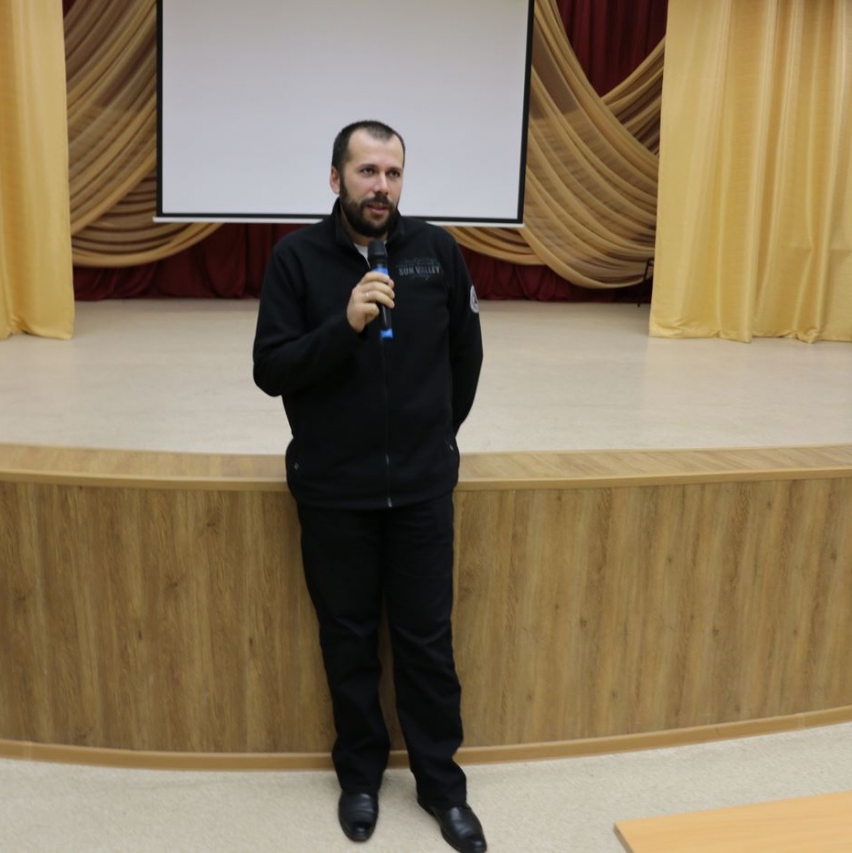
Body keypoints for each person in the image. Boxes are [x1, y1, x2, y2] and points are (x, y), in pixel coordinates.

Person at [252, 120, 486, 853]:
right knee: (348, 642)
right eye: (366, 172)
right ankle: (359, 778)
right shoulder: (295, 260)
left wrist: (432, 439)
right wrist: (344, 325)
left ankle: (442, 786)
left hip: (420, 490)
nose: (380, 187)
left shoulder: (436, 253)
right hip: (333, 491)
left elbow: (466, 359)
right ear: (336, 179)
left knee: (427, 643)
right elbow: (271, 369)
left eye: (392, 173)